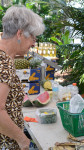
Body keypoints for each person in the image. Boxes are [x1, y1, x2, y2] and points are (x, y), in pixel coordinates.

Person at [0, 5, 45, 149]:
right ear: (19, 34)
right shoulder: (4, 62)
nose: (34, 43)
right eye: (33, 37)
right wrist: (23, 140)